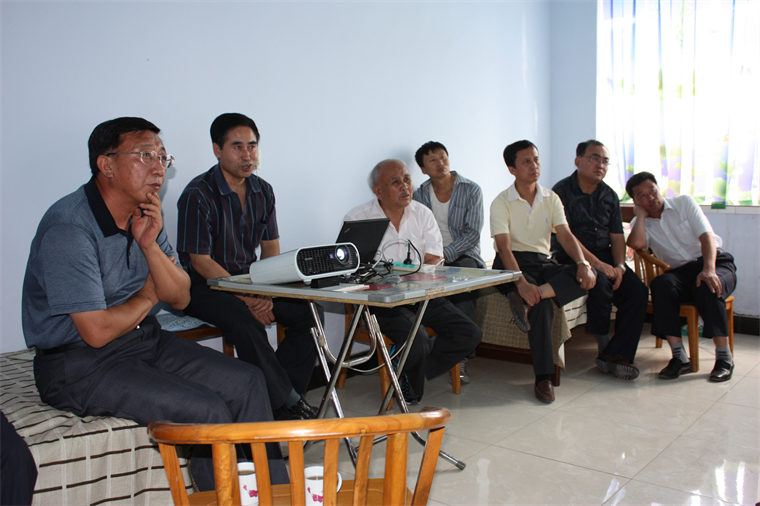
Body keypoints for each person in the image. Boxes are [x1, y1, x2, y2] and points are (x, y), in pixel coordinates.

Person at [22, 117, 287, 491]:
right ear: (106, 164)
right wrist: (148, 296)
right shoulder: (69, 227)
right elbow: (96, 331)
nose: (159, 168)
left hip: (140, 341)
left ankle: (275, 495)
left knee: (248, 381)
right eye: (145, 155)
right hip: (79, 364)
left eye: (163, 157)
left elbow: (180, 296)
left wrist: (149, 245)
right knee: (206, 409)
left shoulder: (145, 212)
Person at [177, 113, 321, 420]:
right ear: (217, 149)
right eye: (237, 147)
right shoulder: (197, 194)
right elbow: (201, 261)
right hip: (204, 286)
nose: (247, 155)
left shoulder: (263, 190)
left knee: (310, 313)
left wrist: (266, 289)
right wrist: (248, 297)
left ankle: (283, 399)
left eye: (252, 146)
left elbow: (270, 247)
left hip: (251, 280)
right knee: (245, 323)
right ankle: (289, 403)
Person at [343, 159, 482, 404]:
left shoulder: (422, 213)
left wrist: (416, 281)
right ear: (378, 191)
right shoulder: (358, 217)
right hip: (381, 301)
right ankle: (410, 383)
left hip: (422, 294)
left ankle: (410, 367)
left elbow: (434, 258)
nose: (405, 186)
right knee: (416, 339)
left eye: (407, 179)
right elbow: (352, 269)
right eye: (395, 182)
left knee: (469, 333)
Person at [490, 140, 596, 403]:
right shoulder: (501, 202)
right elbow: (503, 248)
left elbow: (566, 236)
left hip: (541, 261)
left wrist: (583, 264)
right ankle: (544, 379)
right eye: (526, 161)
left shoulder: (551, 197)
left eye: (536, 159)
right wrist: (520, 283)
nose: (534, 165)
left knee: (581, 275)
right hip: (510, 264)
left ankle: (533, 296)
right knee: (542, 307)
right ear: (512, 169)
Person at [626, 172, 737, 382]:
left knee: (707, 285)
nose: (650, 197)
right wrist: (640, 216)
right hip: (681, 273)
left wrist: (709, 269)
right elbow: (637, 244)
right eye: (642, 195)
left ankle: (724, 358)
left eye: (652, 190)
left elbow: (706, 237)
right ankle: (679, 357)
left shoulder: (684, 203)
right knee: (660, 284)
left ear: (658, 187)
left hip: (714, 263)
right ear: (635, 201)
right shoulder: (639, 222)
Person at [551, 140, 648, 380]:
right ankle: (605, 348)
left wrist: (619, 266)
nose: (600, 165)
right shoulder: (560, 192)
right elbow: (567, 237)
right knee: (600, 282)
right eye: (594, 158)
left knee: (638, 291)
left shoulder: (609, 195)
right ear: (578, 161)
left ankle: (617, 354)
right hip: (570, 255)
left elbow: (616, 236)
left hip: (605, 255)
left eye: (605, 161)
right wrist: (598, 265)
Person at [412, 141, 484, 383]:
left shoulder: (471, 189)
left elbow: (473, 234)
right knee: (421, 286)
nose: (440, 163)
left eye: (443, 157)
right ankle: (431, 345)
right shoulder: (420, 194)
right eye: (432, 160)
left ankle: (461, 356)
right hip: (431, 256)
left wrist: (445, 254)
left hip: (464, 254)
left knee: (464, 281)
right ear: (423, 169)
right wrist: (433, 257)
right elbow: (417, 232)